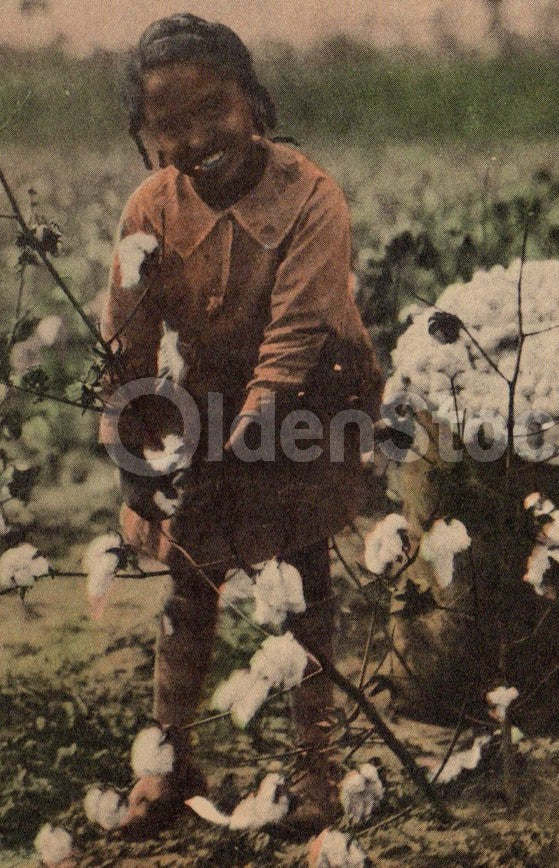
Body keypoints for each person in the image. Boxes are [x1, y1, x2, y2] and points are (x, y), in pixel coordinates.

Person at [97, 13, 383, 842]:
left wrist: (240, 444)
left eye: (212, 110)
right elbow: (129, 344)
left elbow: (295, 340)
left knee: (300, 572)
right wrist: (139, 459)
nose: (196, 138)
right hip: (216, 392)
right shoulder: (150, 210)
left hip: (314, 394)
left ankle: (316, 766)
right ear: (147, 137)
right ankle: (169, 758)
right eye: (169, 126)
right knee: (192, 575)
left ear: (253, 99)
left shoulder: (310, 197)